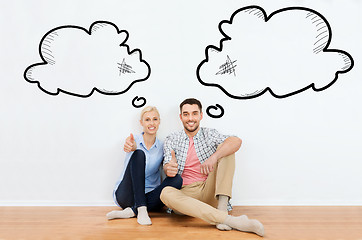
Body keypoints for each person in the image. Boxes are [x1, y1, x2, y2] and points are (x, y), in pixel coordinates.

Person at [160, 98, 264, 236]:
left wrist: (214, 157)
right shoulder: (171, 139)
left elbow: (236, 141)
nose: (190, 118)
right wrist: (169, 168)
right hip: (186, 195)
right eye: (186, 114)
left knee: (227, 148)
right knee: (165, 193)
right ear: (181, 117)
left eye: (194, 113)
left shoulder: (209, 134)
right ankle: (231, 220)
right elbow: (167, 165)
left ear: (201, 116)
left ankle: (222, 209)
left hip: (209, 189)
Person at [107, 106, 183, 225]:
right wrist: (131, 147)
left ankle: (132, 211)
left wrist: (170, 167)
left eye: (155, 119)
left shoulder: (163, 146)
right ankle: (141, 209)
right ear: (141, 123)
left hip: (150, 196)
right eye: (147, 120)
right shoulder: (134, 140)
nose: (151, 123)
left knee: (177, 180)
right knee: (139, 154)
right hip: (126, 195)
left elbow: (167, 167)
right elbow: (130, 143)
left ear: (159, 122)